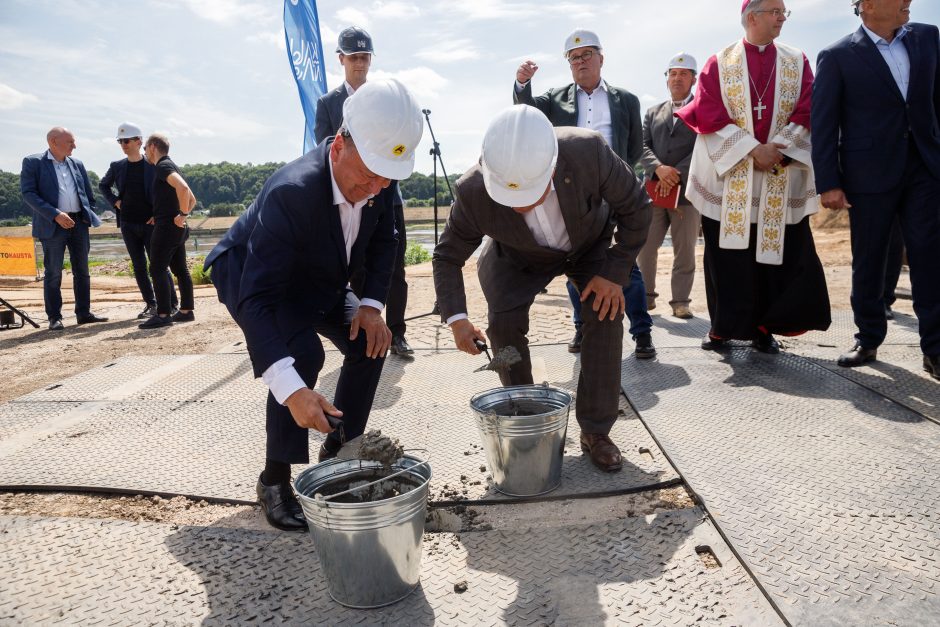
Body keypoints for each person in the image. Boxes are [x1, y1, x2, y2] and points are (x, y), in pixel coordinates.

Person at [203, 79, 424, 531]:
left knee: (369, 341)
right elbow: (260, 299)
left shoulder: (379, 179)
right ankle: (274, 480)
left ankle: (340, 447)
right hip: (256, 275)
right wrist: (292, 391)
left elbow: (387, 239)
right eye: (369, 177)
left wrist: (369, 304)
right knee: (301, 356)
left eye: (388, 178)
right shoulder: (294, 193)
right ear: (339, 145)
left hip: (319, 274)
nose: (377, 188)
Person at [433, 105, 651, 472]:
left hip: (588, 244)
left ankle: (596, 430)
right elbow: (446, 256)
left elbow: (637, 208)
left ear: (553, 165)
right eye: (509, 198)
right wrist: (457, 319)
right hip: (517, 258)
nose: (520, 206)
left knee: (605, 311)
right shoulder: (472, 190)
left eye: (529, 194)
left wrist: (614, 274)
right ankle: (525, 414)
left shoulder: (588, 151)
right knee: (503, 328)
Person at [676, 0, 830, 353]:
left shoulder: (796, 60)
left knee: (772, 257)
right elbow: (709, 113)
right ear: (752, 16)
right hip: (731, 177)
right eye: (775, 11)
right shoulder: (720, 61)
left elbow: (809, 107)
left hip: (779, 171)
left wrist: (779, 148)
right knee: (727, 258)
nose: (781, 18)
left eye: (783, 12)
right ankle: (722, 328)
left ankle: (764, 328)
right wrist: (752, 149)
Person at [812, 0, 940, 379]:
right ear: (867, 5)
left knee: (930, 258)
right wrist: (829, 182)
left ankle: (935, 348)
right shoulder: (836, 56)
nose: (907, 2)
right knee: (869, 259)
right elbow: (824, 122)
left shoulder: (929, 38)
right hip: (868, 175)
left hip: (925, 169)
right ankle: (868, 337)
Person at [514, 28, 655, 359]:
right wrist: (522, 84)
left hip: (614, 190)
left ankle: (642, 332)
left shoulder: (626, 99)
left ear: (601, 59)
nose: (580, 61)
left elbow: (634, 147)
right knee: (576, 262)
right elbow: (527, 113)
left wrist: (614, 177)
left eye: (586, 55)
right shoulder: (555, 98)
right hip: (571, 194)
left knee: (624, 264)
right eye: (573, 57)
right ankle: (581, 327)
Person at [314, 26, 414, 359]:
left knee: (394, 268)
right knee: (357, 268)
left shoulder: (386, 98)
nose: (360, 64)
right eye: (354, 57)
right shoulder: (328, 104)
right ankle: (360, 329)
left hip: (386, 196)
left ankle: (397, 332)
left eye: (365, 57)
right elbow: (325, 149)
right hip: (350, 199)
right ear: (341, 59)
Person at [20, 127, 108, 330]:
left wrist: (87, 215)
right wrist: (55, 214)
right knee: (53, 273)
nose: (74, 146)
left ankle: (84, 314)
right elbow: (29, 194)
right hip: (52, 224)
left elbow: (88, 194)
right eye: (70, 142)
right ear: (53, 141)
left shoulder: (77, 164)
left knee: (83, 271)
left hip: (79, 223)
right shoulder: (33, 162)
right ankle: (54, 318)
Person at [637, 53, 701, 320]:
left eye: (683, 74)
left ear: (694, 79)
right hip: (654, 191)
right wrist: (659, 170)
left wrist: (675, 175)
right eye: (672, 74)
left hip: (686, 194)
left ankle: (680, 302)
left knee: (684, 250)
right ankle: (647, 298)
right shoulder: (653, 112)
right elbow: (640, 145)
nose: (677, 78)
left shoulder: (703, 109)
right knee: (646, 248)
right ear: (667, 79)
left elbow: (704, 146)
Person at [99, 122, 178, 319]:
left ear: (138, 141)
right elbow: (103, 185)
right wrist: (115, 202)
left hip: (151, 223)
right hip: (127, 223)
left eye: (126, 141)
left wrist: (158, 213)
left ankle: (171, 303)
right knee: (139, 266)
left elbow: (168, 190)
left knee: (158, 264)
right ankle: (151, 304)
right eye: (120, 141)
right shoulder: (117, 166)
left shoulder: (153, 165)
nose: (123, 144)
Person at [138, 134, 196, 329]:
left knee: (157, 268)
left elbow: (183, 188)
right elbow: (192, 197)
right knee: (180, 269)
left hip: (167, 227)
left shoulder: (162, 166)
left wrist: (181, 214)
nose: (144, 152)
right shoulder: (171, 165)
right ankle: (186, 311)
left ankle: (163, 314)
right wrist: (180, 216)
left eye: (145, 148)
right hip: (175, 226)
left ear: (153, 147)